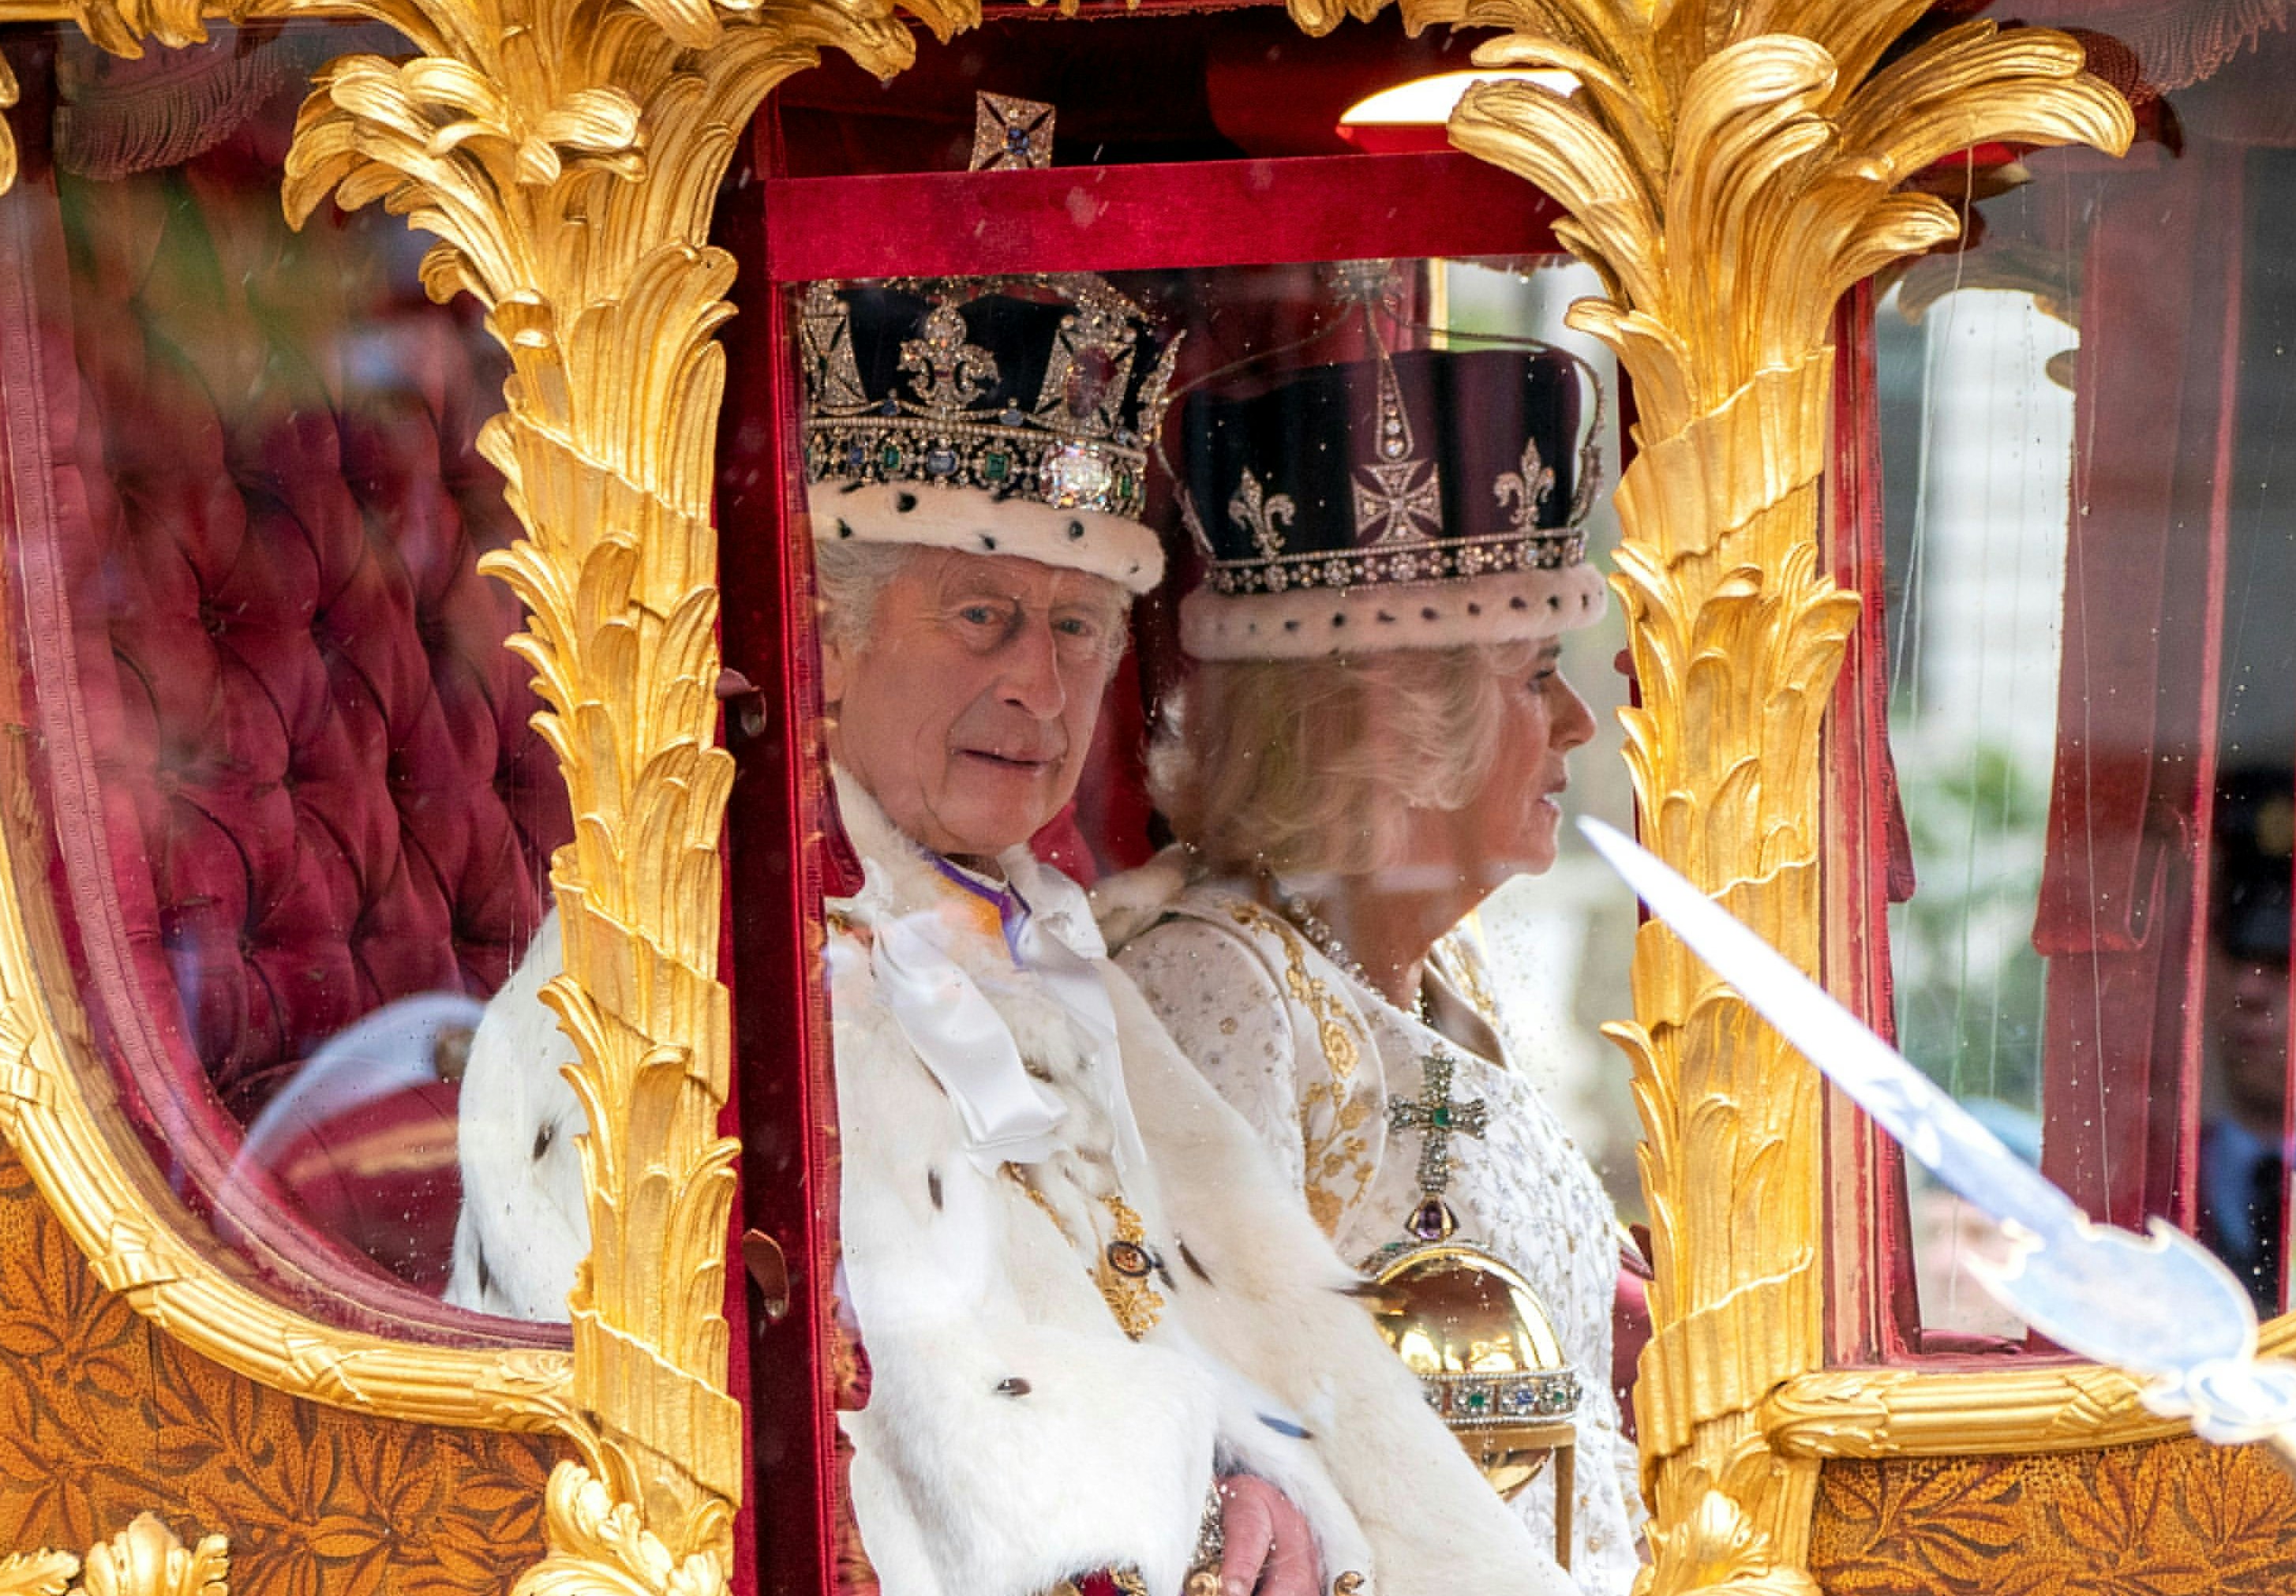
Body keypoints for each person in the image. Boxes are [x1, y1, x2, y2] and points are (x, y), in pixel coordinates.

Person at [455, 276, 1575, 1596]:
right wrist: (1204, 1507)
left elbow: (1232, 1343)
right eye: (982, 616)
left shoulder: (1040, 941)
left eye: (1077, 628)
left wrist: (1286, 1488)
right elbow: (921, 1464)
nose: (1040, 689)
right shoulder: (704, 962)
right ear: (828, 639)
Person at [1099, 345, 1644, 1592]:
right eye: (1535, 676)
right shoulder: (1221, 986)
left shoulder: (1452, 971)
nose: (1578, 722)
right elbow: (1220, 1427)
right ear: (1403, 723)